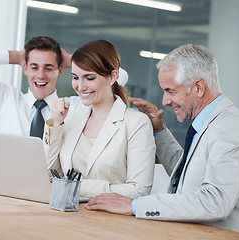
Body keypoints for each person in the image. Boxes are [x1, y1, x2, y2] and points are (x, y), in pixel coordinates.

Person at [85, 44, 239, 238]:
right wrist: (158, 130)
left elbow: (215, 202)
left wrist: (134, 205)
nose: (164, 101)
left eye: (170, 91)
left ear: (198, 87)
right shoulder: (210, 123)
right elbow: (188, 175)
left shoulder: (231, 128)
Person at [43, 40, 156, 199]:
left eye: (89, 78)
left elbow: (139, 191)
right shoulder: (72, 118)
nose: (80, 86)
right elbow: (49, 176)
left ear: (112, 77)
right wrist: (56, 124)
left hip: (110, 219)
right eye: (75, 77)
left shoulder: (136, 123)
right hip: (67, 215)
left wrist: (76, 186)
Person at [0, 36, 128, 138]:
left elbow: (120, 77)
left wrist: (72, 61)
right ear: (25, 68)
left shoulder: (76, 106)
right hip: (7, 190)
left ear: (60, 70)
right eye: (34, 67)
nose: (40, 75)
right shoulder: (3, 100)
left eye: (48, 67)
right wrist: (17, 56)